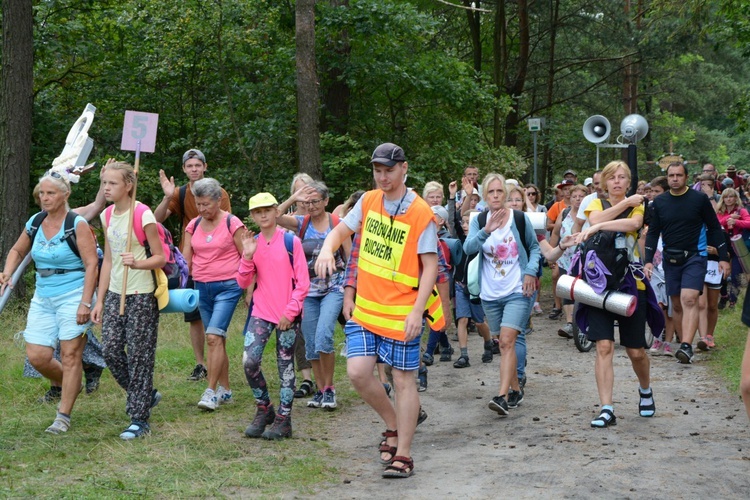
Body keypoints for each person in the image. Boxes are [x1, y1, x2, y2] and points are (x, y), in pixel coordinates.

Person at [315, 142, 441, 479]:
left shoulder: (420, 212)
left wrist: (417, 311)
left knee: (403, 380)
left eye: (388, 170)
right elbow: (340, 231)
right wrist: (328, 249)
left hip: (402, 311)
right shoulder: (369, 201)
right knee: (357, 372)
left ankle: (404, 454)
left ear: (404, 168)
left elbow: (430, 267)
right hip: (366, 309)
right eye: (377, 170)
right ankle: (393, 424)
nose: (382, 177)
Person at [0, 171, 98, 434]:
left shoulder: (77, 224)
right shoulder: (36, 221)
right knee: (38, 356)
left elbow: (92, 265)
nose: (44, 198)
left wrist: (85, 303)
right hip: (43, 296)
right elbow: (17, 250)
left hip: (74, 293)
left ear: (65, 194)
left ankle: (63, 416)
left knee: (70, 354)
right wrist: (8, 272)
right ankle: (71, 383)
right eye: (41, 193)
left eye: (50, 193)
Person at [576, 160, 656, 428]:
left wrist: (600, 226)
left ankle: (645, 389)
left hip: (632, 283)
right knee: (604, 345)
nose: (618, 182)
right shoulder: (595, 203)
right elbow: (595, 218)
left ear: (629, 181)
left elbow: (632, 224)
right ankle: (606, 408)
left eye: (623, 177)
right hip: (598, 282)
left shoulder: (639, 205)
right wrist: (611, 214)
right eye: (612, 178)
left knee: (635, 351)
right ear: (604, 182)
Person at [91, 161, 166, 440]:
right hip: (113, 293)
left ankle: (139, 418)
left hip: (141, 294)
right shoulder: (107, 215)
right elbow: (108, 260)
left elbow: (160, 257)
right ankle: (145, 393)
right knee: (110, 351)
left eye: (112, 183)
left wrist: (138, 263)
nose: (106, 188)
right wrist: (99, 301)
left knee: (139, 357)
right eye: (104, 183)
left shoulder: (143, 214)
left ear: (128, 185)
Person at [463, 173, 540, 416]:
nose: (496, 196)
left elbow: (535, 248)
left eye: (499, 192)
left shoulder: (518, 218)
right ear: (485, 195)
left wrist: (530, 271)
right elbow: (468, 248)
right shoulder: (480, 220)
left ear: (505, 195)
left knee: (507, 342)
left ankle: (502, 396)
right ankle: (516, 389)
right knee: (503, 342)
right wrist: (486, 230)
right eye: (491, 192)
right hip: (490, 293)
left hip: (518, 289)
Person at [155, 149, 232, 381]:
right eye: (190, 166)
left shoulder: (219, 193)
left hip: (215, 262)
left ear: (205, 167)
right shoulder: (179, 193)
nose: (194, 169)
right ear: (184, 170)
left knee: (214, 319)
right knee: (194, 314)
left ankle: (217, 360)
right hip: (189, 262)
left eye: (198, 165)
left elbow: (227, 224)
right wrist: (167, 196)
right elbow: (156, 220)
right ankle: (201, 364)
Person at [238, 193, 310, 440]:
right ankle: (264, 407)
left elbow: (303, 283)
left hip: (288, 314)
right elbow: (243, 281)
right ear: (253, 217)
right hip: (261, 312)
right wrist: (247, 257)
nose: (264, 215)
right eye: (258, 212)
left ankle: (284, 419)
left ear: (276, 211)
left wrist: (290, 312)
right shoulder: (252, 243)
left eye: (268, 210)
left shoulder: (291, 242)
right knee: (249, 361)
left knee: (285, 366)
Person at [644, 162, 731, 364]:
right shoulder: (659, 203)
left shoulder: (699, 199)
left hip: (695, 256)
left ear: (686, 177)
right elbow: (653, 232)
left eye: (679, 175)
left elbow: (714, 228)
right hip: (670, 258)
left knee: (690, 298)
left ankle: (686, 346)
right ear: (667, 178)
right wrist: (648, 261)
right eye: (671, 175)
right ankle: (684, 342)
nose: (675, 178)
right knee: (676, 304)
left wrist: (724, 258)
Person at [277, 181, 351, 410]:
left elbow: (350, 261)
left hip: (334, 287)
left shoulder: (337, 224)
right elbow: (275, 215)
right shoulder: (301, 222)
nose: (311, 206)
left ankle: (330, 389)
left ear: (326, 201)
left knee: (323, 336)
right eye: (307, 202)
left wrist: (351, 291)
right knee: (310, 343)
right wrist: (294, 197)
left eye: (316, 201)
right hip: (308, 290)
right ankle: (319, 390)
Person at [182, 178, 246, 411]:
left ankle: (210, 392)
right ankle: (226, 389)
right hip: (202, 287)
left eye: (206, 204)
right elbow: (186, 259)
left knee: (212, 337)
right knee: (216, 340)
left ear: (219, 200)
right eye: (198, 204)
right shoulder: (194, 225)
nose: (201, 209)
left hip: (228, 287)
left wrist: (248, 288)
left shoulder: (232, 222)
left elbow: (247, 256)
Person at [284, 172, 318, 399]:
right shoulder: (288, 221)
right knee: (299, 332)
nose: (304, 197)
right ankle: (307, 379)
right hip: (294, 284)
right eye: (299, 191)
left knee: (318, 333)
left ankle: (326, 379)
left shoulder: (322, 218)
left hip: (322, 282)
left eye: (307, 190)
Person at [550, 184, 587, 338]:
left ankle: (583, 323)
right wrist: (552, 254)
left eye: (581, 196)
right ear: (569, 199)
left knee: (583, 290)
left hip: (586, 259)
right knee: (567, 289)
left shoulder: (590, 214)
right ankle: (570, 323)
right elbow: (555, 233)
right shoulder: (564, 213)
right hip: (566, 259)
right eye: (575, 196)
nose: (578, 199)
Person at [716, 187, 750, 310]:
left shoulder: (741, 211)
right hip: (723, 245)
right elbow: (716, 224)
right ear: (723, 199)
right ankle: (724, 295)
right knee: (721, 274)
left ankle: (733, 301)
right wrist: (729, 218)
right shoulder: (720, 211)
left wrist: (737, 222)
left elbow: (749, 223)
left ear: (736, 198)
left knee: (735, 274)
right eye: (726, 197)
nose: (729, 199)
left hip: (737, 246)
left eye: (731, 196)